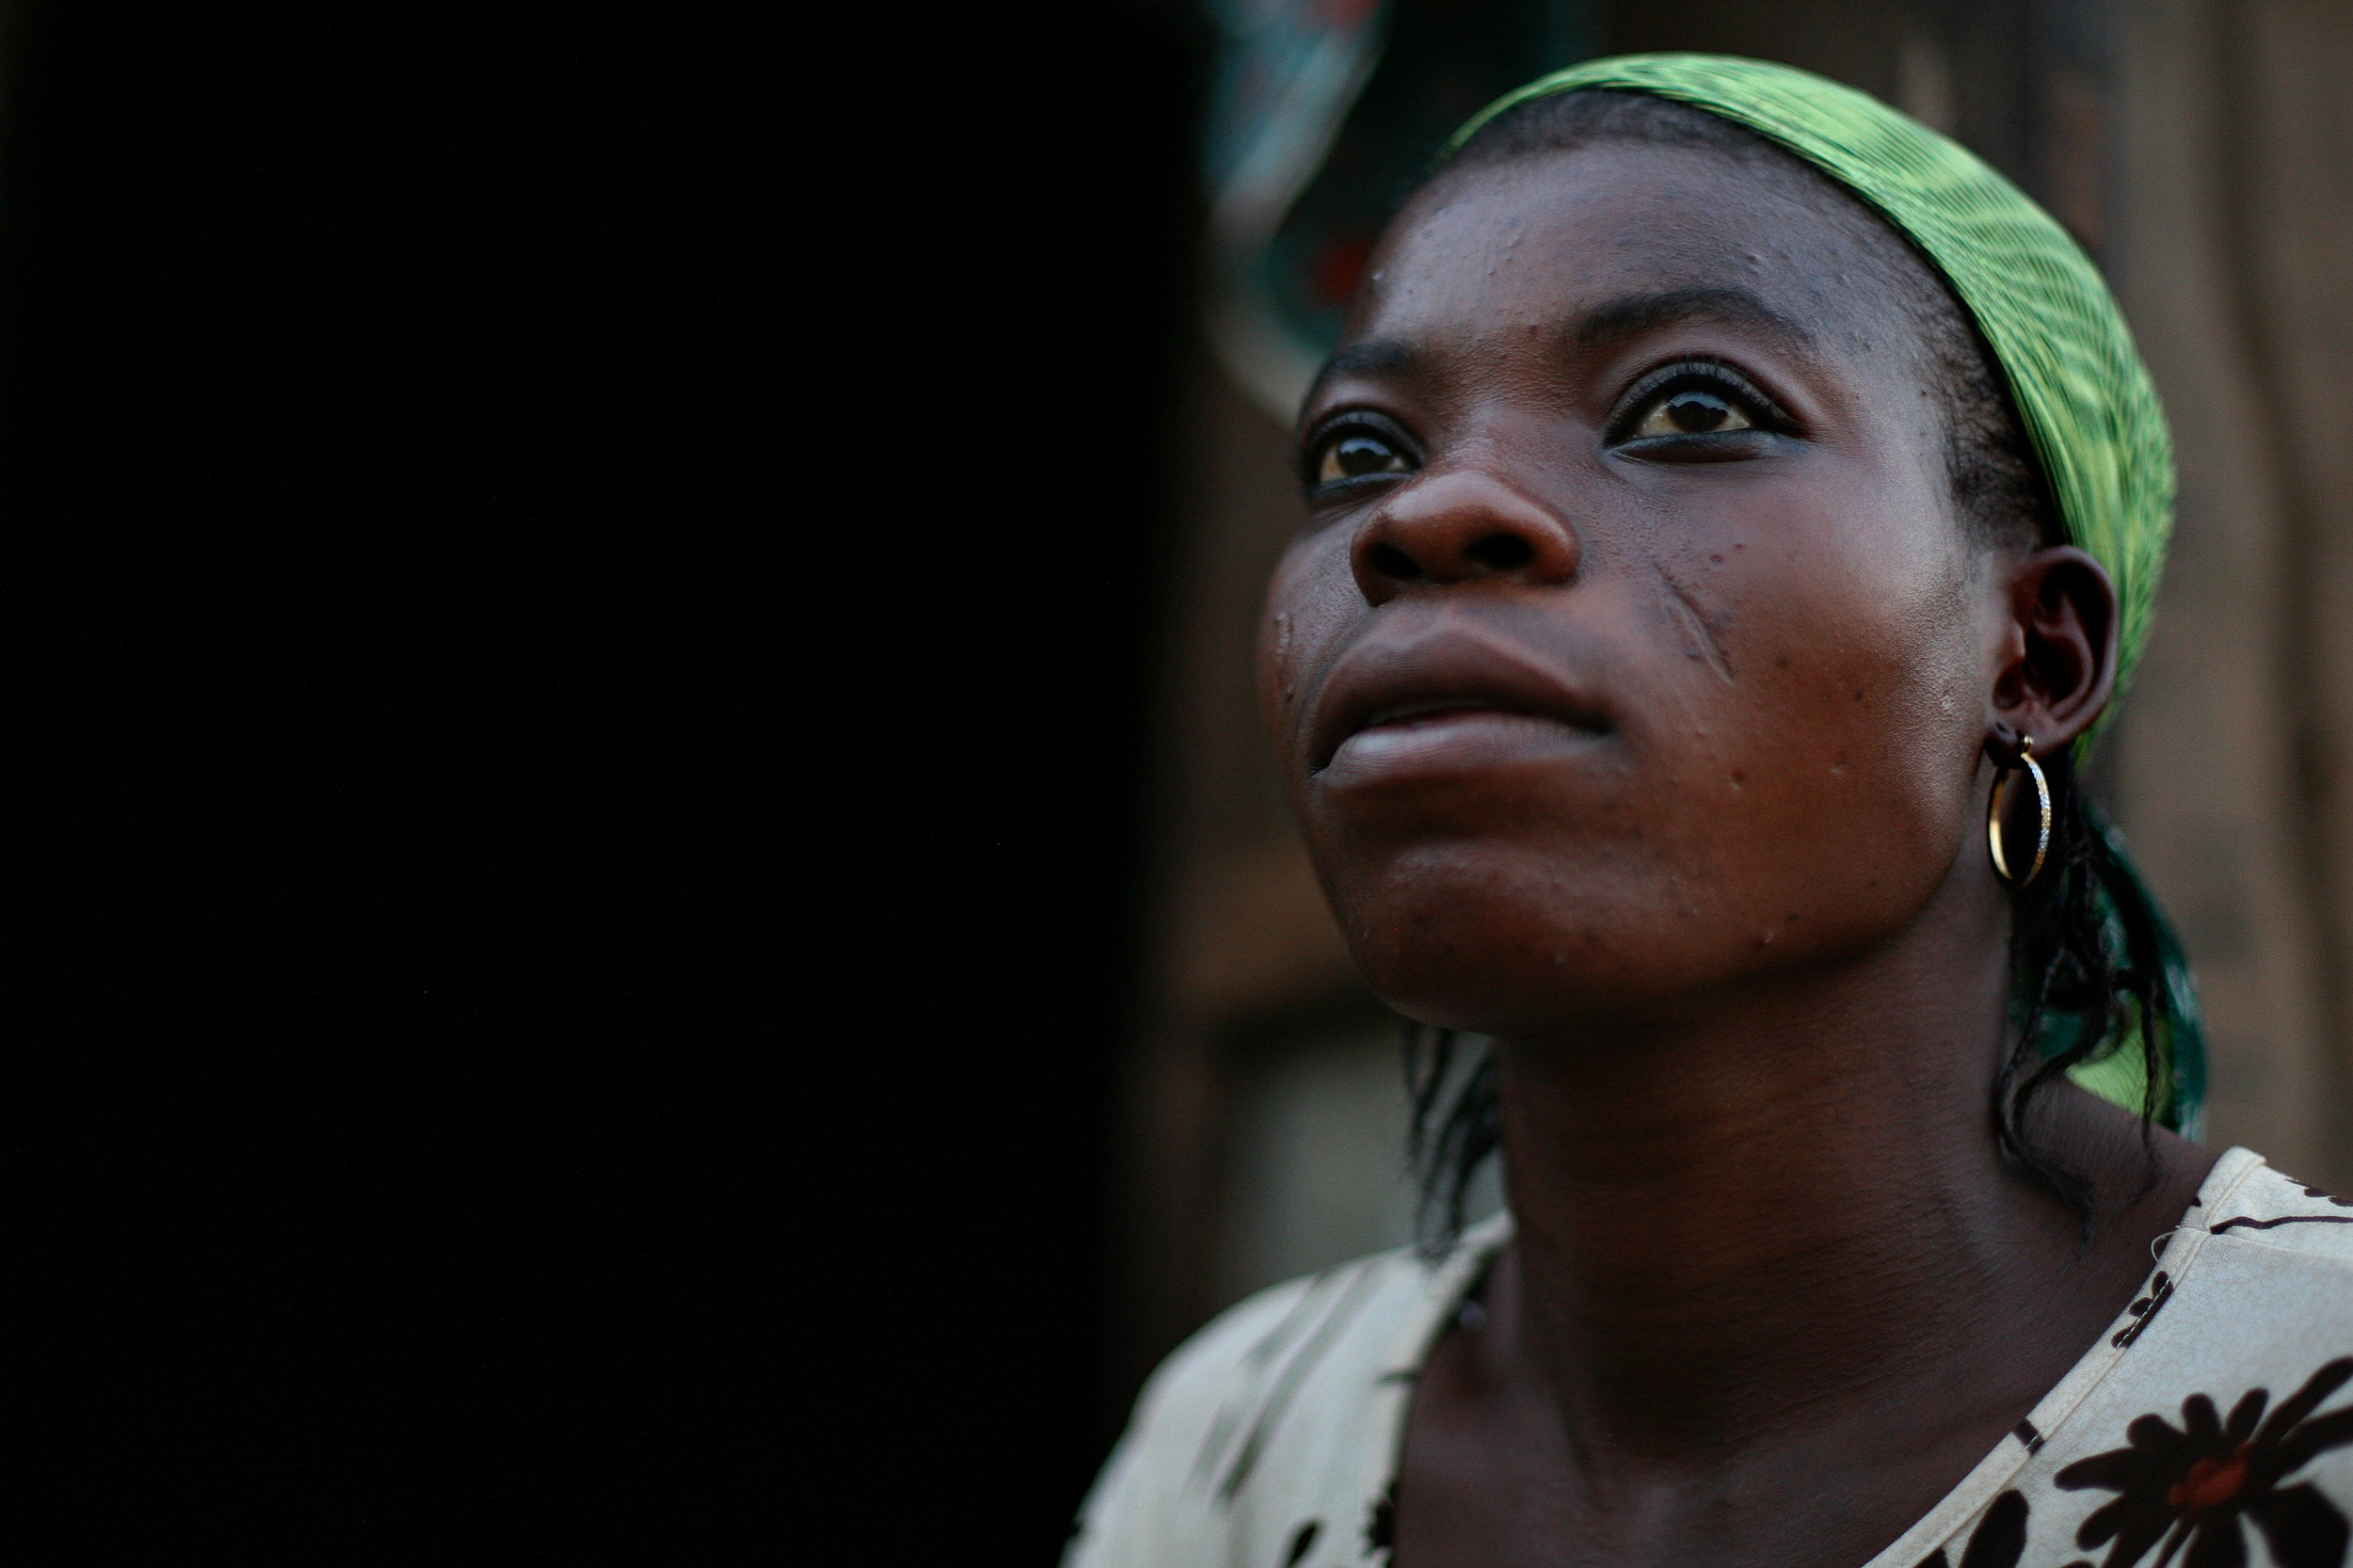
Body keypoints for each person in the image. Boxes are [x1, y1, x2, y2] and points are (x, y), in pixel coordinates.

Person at [1067, 56, 2353, 1568]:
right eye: (1359, 451)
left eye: (1689, 408)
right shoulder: (1235, 1444)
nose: (1424, 513)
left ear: (2033, 653)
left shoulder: (2310, 1409)